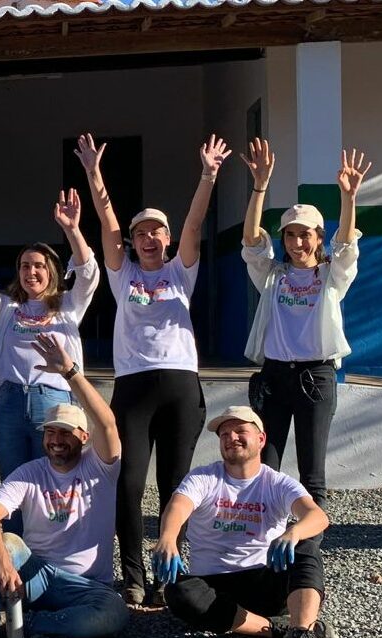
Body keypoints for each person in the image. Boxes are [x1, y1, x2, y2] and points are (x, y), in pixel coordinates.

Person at [76, 133, 230, 604]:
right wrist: (93, 175)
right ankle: (134, 576)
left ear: (166, 239)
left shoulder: (181, 271)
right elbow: (105, 221)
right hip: (133, 387)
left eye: (156, 232)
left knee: (174, 484)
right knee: (129, 481)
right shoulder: (123, 275)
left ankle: (171, 569)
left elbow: (195, 222)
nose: (148, 238)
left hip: (181, 383)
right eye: (140, 232)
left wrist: (208, 175)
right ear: (132, 241)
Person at [0, 333, 127, 638]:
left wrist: (70, 373)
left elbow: (107, 422)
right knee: (8, 543)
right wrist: (2, 559)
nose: (56, 440)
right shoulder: (30, 472)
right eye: (51, 432)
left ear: (83, 438)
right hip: (36, 575)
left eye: (65, 432)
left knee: (112, 614)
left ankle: (24, 623)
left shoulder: (101, 467)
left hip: (86, 585)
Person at [153, 406, 337, 638]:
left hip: (265, 579)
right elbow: (178, 506)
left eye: (240, 431)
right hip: (213, 585)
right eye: (224, 434)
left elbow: (317, 516)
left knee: (306, 546)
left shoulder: (276, 482)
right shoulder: (204, 477)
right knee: (179, 593)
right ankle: (282, 632)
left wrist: (293, 532)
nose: (231, 437)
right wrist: (167, 538)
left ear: (261, 439)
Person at [241, 142, 370, 510]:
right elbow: (251, 241)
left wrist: (349, 198)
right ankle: (267, 540)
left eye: (306, 234)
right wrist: (260, 185)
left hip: (317, 377)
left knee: (312, 472)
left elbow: (346, 244)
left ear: (317, 237)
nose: (299, 242)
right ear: (284, 239)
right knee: (266, 464)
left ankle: (308, 548)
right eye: (291, 235)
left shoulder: (331, 276)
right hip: (274, 376)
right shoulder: (273, 276)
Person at [0, 193, 99, 534]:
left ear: (51, 272)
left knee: (54, 481)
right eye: (24, 265)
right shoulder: (8, 308)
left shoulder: (68, 305)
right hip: (9, 404)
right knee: (13, 482)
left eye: (38, 265)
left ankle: (51, 548)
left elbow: (89, 272)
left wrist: (73, 229)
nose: (31, 271)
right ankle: (16, 553)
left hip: (52, 404)